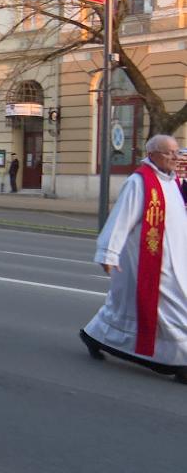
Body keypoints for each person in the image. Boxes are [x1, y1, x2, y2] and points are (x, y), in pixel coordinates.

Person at [79, 134, 187, 385]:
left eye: (176, 152)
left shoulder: (173, 182)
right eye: (168, 152)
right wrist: (108, 253)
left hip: (173, 259)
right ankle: (180, 362)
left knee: (124, 309)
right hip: (147, 262)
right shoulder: (139, 182)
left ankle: (94, 335)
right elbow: (120, 219)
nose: (174, 157)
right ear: (152, 155)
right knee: (174, 308)